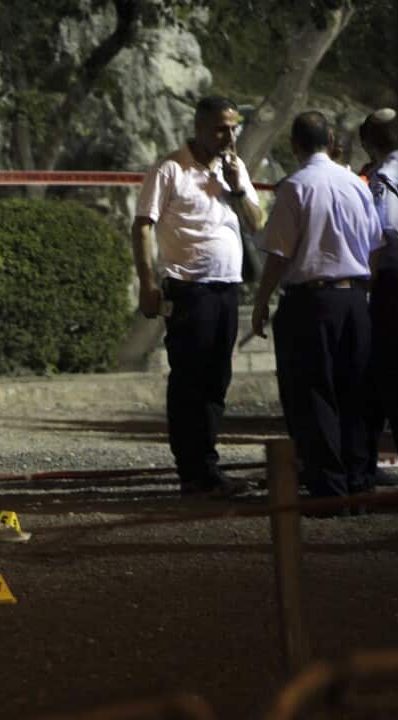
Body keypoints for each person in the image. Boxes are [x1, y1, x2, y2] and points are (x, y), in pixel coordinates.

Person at [131, 96, 265, 497]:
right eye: (221, 128)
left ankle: (206, 463)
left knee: (216, 378)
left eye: (233, 128)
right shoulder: (170, 168)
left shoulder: (234, 169)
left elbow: (257, 223)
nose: (228, 136)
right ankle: (194, 469)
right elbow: (142, 226)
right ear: (200, 127)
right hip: (190, 289)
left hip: (227, 287)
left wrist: (238, 188)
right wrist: (147, 283)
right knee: (190, 380)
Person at [250, 111, 384, 509]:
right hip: (354, 297)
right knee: (355, 391)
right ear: (329, 140)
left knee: (314, 395)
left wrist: (261, 302)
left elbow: (278, 254)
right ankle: (360, 484)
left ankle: (328, 489)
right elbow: (375, 246)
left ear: (294, 144)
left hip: (310, 300)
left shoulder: (294, 187)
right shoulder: (355, 184)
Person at [357, 109, 398, 471]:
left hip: (395, 284)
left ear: (368, 142)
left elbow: (384, 231)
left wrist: (367, 285)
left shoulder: (384, 176)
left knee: (395, 379)